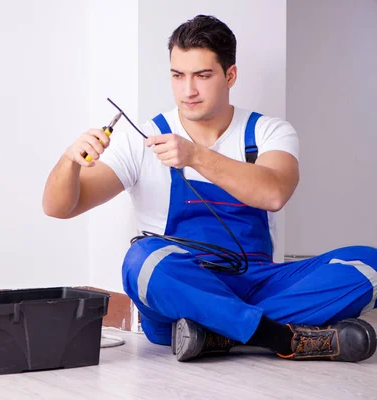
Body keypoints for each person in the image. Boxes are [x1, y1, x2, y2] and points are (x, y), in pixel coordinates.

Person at [42, 14, 377, 362]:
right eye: (178, 76)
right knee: (142, 260)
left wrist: (196, 156)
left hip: (258, 281)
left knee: (369, 263)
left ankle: (217, 334)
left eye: (202, 76)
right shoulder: (140, 140)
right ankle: (278, 336)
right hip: (182, 286)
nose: (188, 91)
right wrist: (69, 161)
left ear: (230, 75)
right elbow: (59, 207)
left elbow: (274, 193)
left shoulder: (268, 132)